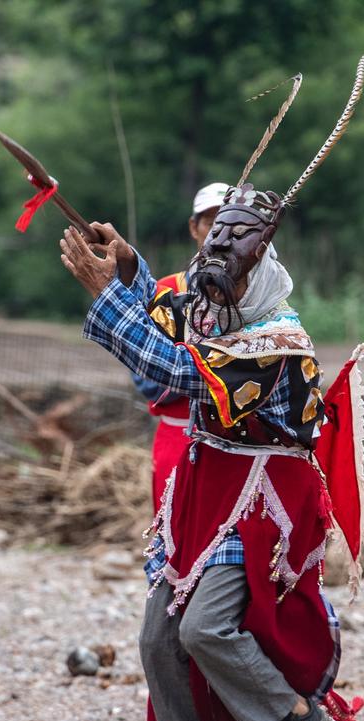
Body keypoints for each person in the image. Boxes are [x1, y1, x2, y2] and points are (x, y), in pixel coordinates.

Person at [58, 56, 364, 721]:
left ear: (258, 272)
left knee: (204, 625)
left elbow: (174, 371)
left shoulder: (277, 340)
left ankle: (292, 718)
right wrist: (130, 269)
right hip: (205, 487)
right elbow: (172, 323)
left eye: (225, 274)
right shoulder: (219, 311)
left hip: (263, 498)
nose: (212, 286)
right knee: (158, 639)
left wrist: (106, 300)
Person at [132, 182, 229, 510]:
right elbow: (146, 376)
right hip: (178, 438)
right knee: (172, 542)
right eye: (210, 221)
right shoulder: (167, 291)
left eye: (229, 222)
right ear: (194, 227)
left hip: (239, 446)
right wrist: (201, 376)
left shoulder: (261, 298)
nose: (219, 231)